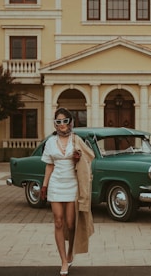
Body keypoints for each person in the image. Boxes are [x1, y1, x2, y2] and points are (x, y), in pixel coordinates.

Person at [40, 107, 95, 275]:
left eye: (65, 121)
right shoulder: (50, 142)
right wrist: (44, 186)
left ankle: (71, 250)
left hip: (73, 185)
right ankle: (63, 260)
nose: (62, 124)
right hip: (56, 184)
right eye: (58, 121)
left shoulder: (76, 140)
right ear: (55, 124)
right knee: (58, 222)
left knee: (71, 224)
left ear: (70, 123)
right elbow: (49, 165)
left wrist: (79, 158)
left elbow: (89, 157)